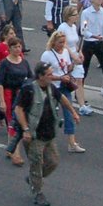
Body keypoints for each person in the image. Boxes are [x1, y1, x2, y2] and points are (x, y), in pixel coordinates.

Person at [17, 62, 76, 206]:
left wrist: (73, 112)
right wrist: (25, 129)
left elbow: (62, 99)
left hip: (49, 133)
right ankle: (38, 192)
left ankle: (33, 178)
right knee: (37, 163)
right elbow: (18, 110)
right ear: (40, 76)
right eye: (49, 74)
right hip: (35, 135)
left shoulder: (51, 88)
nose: (52, 76)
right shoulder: (29, 90)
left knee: (53, 161)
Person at [0, 35, 34, 164]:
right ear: (9, 48)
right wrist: (2, 101)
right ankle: (15, 153)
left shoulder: (24, 62)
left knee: (21, 121)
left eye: (19, 46)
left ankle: (11, 149)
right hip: (9, 95)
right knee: (13, 123)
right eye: (14, 47)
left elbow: (30, 78)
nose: (18, 49)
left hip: (21, 95)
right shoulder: (5, 63)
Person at [41, 24, 86, 153]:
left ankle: (72, 142)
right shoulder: (47, 55)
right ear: (53, 42)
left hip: (64, 86)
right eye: (60, 42)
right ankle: (43, 139)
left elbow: (66, 68)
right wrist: (59, 78)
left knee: (69, 113)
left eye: (63, 42)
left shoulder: (65, 52)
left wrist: (73, 65)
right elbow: (44, 75)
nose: (62, 45)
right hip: (52, 87)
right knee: (48, 114)